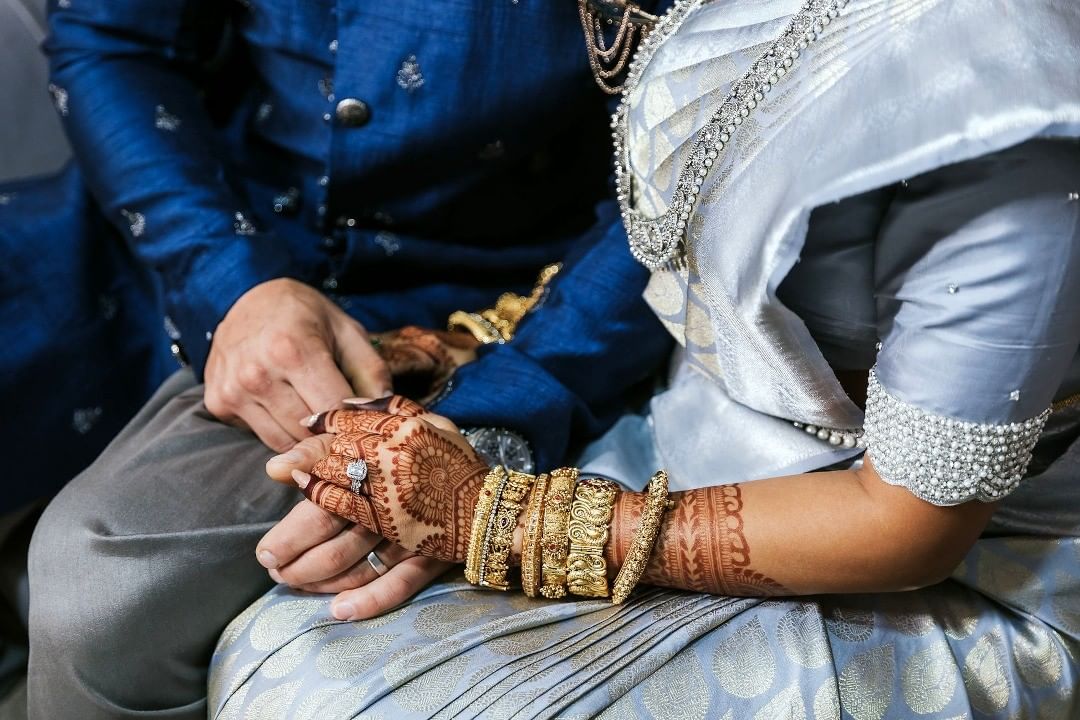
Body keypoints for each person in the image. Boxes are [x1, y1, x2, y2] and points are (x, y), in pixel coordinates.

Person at [208, 0, 1080, 717]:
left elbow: (908, 529)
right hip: (685, 427)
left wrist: (491, 519)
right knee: (286, 643)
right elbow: (674, 234)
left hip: (924, 551)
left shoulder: (1001, 102)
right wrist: (472, 347)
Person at [20, 1, 674, 718]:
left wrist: (495, 420)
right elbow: (111, 38)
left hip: (457, 312)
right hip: (183, 214)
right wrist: (228, 281)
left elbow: (685, 163)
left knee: (104, 594)